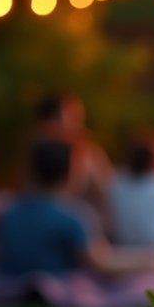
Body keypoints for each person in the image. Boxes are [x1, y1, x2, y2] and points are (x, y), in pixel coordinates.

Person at [0, 136, 154, 276]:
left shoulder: (9, 213)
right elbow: (102, 265)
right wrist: (146, 262)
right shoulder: (72, 216)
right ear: (70, 173)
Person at [33, 93, 114, 229]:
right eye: (73, 118)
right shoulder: (38, 151)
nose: (79, 126)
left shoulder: (88, 153)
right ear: (49, 123)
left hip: (87, 229)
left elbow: (108, 189)